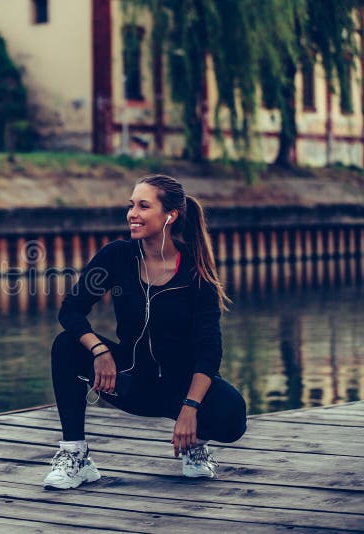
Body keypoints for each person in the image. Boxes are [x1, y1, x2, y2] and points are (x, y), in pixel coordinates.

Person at [43, 174, 247, 490]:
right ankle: (76, 456)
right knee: (66, 346)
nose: (132, 214)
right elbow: (71, 309)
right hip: (131, 382)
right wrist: (99, 350)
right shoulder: (117, 257)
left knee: (233, 414)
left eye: (143, 206)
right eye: (131, 205)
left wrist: (190, 408)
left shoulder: (196, 272)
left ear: (170, 215)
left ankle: (195, 445)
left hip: (180, 391)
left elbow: (209, 351)